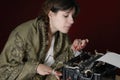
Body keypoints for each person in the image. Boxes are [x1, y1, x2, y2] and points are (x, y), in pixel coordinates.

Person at [0, 0, 89, 80]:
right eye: (66, 15)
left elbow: (58, 68)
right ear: (51, 14)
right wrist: (36, 67)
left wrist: (72, 49)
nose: (72, 21)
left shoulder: (63, 37)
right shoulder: (22, 34)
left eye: (72, 16)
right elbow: (3, 72)